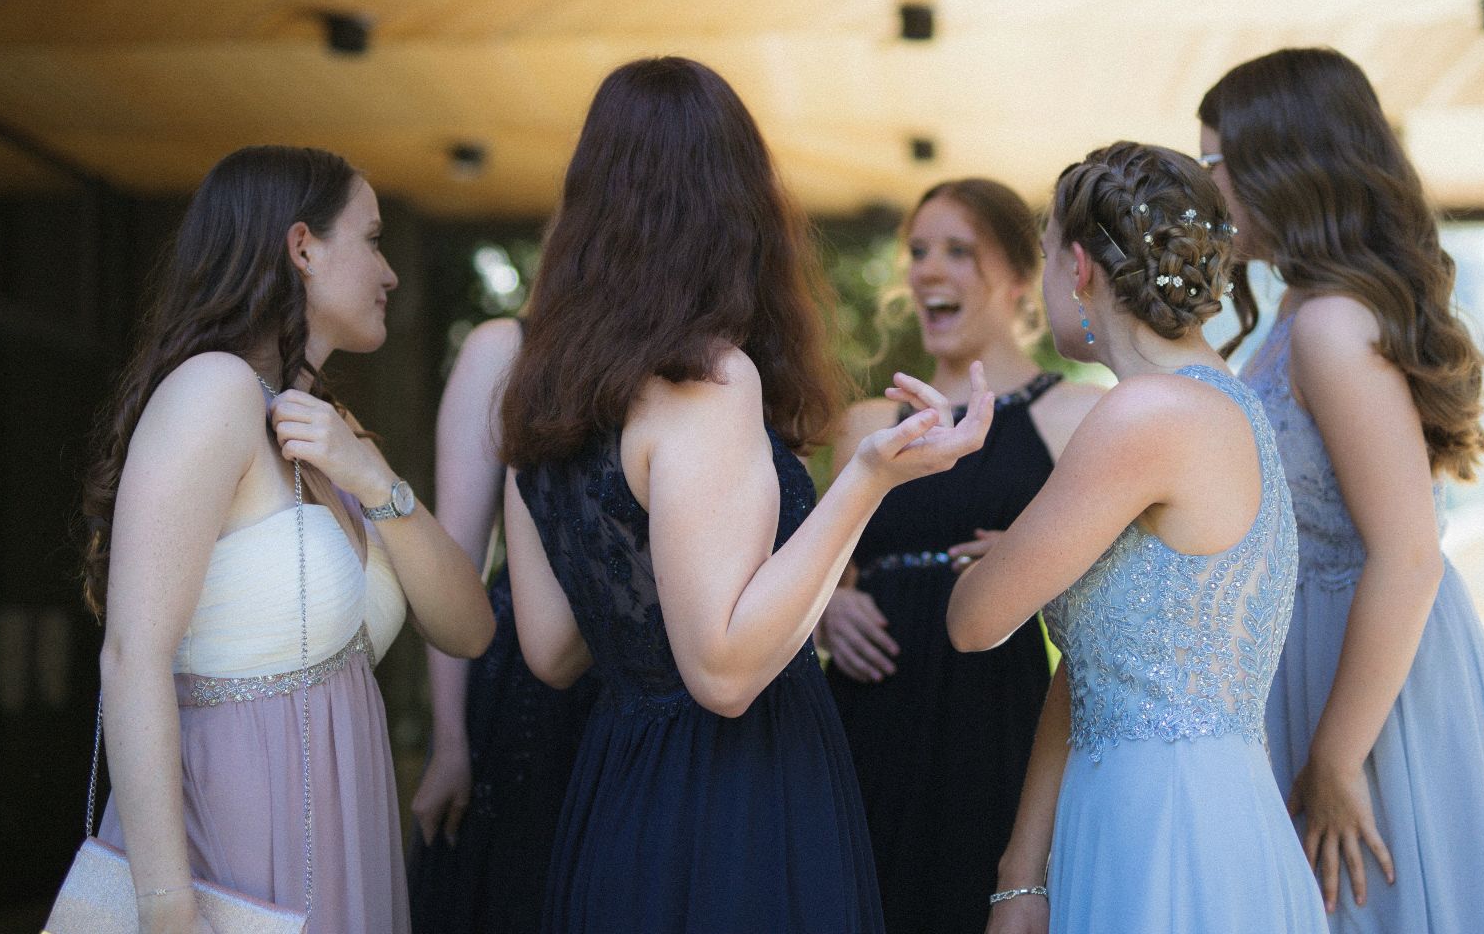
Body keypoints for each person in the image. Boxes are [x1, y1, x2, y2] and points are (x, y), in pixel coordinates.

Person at [498, 56, 993, 934]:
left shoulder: (546, 389)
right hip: (735, 797)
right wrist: (871, 477)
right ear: (734, 203)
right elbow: (723, 673)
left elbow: (551, 648)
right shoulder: (707, 378)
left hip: (619, 792)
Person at [1201, 46, 1484, 931]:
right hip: (1317, 659)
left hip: (1366, 686)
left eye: (1214, 161)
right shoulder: (1302, 311)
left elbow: (1407, 552)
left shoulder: (1332, 323)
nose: (1206, 186)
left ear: (1279, 162)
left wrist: (1335, 757)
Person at [81, 145, 495, 934]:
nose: (391, 272)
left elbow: (469, 628)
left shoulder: (330, 434)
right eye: (372, 240)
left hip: (342, 835)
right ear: (303, 246)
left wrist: (375, 481)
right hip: (230, 841)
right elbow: (132, 654)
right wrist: (168, 911)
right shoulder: (212, 393)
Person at [948, 141, 1325, 934]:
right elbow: (1094, 664)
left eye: (1048, 254)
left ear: (1078, 267)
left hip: (1163, 825)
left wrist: (1011, 541)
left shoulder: (1142, 416)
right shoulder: (1224, 403)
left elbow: (973, 620)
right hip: (1183, 810)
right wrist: (1022, 873)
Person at [820, 178, 1104, 933]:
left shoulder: (1076, 415)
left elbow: (1121, 584)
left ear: (1020, 276)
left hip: (994, 721)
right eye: (917, 252)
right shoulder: (866, 424)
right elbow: (818, 570)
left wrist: (1039, 554)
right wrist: (830, 606)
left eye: (957, 251)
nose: (927, 270)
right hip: (868, 717)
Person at [408, 317, 598, 934]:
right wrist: (449, 740)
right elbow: (457, 560)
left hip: (629, 680)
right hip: (521, 681)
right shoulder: (506, 347)